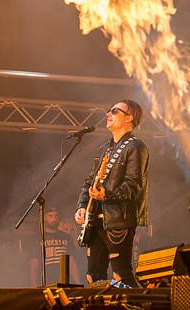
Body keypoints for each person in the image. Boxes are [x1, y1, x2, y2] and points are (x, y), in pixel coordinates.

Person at [75, 99, 149, 287]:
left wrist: (106, 195)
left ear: (129, 118)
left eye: (114, 111)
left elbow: (133, 185)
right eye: (108, 110)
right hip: (95, 220)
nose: (108, 114)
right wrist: (82, 206)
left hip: (118, 220)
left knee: (120, 274)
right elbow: (88, 183)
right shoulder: (103, 150)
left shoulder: (135, 146)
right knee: (93, 277)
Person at [29, 206, 81, 286]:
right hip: (44, 281)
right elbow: (34, 264)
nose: (54, 219)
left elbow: (71, 261)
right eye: (50, 216)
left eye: (56, 216)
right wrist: (33, 284)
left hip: (63, 280)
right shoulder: (37, 238)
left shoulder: (66, 237)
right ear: (44, 218)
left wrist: (78, 282)